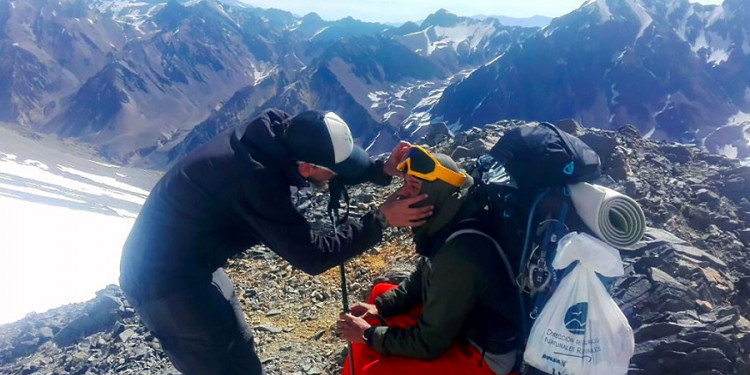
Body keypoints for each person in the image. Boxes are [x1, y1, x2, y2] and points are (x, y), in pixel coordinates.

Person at [119, 109, 434, 375]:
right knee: (222, 365)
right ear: (306, 168)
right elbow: (312, 256)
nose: (332, 176)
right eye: (331, 172)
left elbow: (325, 163)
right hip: (163, 283)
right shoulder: (254, 180)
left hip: (186, 260)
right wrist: (380, 219)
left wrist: (382, 171)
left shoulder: (282, 131)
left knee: (237, 349)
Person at [337, 146, 521, 375]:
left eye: (412, 186)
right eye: (405, 183)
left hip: (483, 355)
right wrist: (380, 307)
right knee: (379, 293)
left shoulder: (460, 253)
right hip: (460, 326)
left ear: (436, 191)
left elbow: (428, 343)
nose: (402, 194)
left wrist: (367, 335)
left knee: (376, 371)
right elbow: (422, 274)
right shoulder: (448, 219)